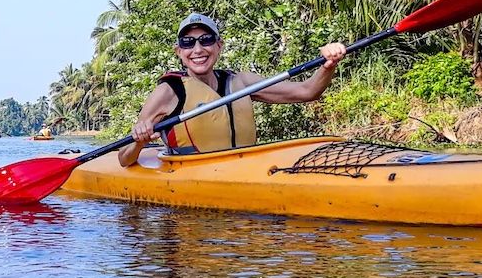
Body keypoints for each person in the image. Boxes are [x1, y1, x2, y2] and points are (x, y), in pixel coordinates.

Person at [117, 12, 347, 167]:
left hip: (245, 170)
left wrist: (328, 64)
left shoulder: (242, 82)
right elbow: (124, 158)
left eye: (206, 40)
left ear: (219, 46)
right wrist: (139, 140)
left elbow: (307, 92)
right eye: (188, 43)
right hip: (190, 175)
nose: (197, 49)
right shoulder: (169, 91)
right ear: (179, 52)